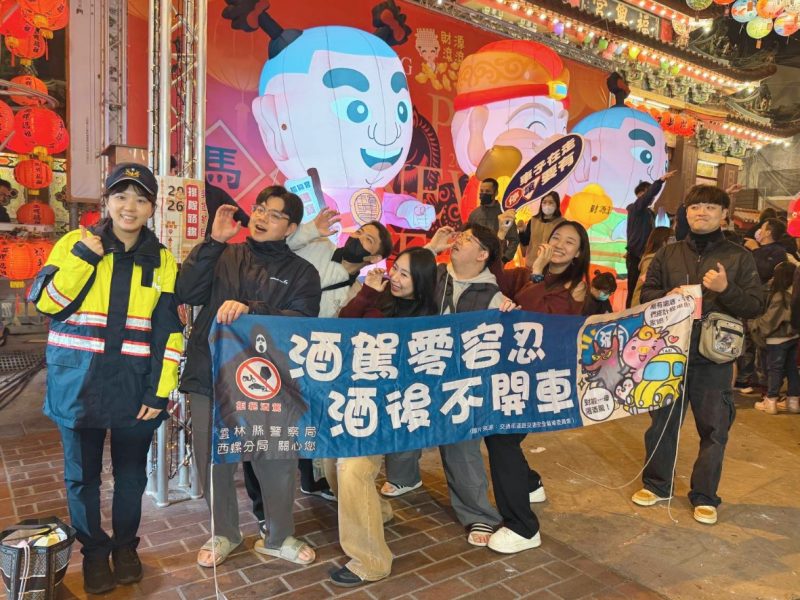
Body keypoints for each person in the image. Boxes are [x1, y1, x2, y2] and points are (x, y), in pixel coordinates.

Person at [29, 163, 183, 594]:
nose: (129, 206)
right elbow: (46, 303)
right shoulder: (74, 244)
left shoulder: (161, 260)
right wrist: (84, 258)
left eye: (140, 198)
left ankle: (125, 547)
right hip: (79, 383)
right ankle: (94, 553)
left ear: (152, 207)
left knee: (131, 478)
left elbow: (169, 331)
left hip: (136, 387)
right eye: (121, 195)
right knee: (82, 478)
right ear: (107, 201)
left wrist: (159, 391)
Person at [176, 189, 321, 568]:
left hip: (270, 383)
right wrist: (213, 242)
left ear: (290, 228)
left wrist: (252, 309)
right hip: (210, 372)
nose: (261, 217)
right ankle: (224, 532)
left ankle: (278, 536)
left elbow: (303, 323)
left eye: (274, 215)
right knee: (214, 459)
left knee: (276, 459)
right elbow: (186, 291)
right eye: (259, 209)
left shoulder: (302, 273)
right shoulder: (224, 254)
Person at [633, 185, 763, 526]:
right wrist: (667, 294)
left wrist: (726, 289)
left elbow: (755, 304)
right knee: (662, 423)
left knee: (714, 428)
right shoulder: (668, 253)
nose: (701, 212)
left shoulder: (739, 256)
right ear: (685, 214)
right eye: (695, 207)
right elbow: (645, 294)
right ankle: (656, 485)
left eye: (710, 207)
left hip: (714, 357)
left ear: (724, 214)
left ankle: (705, 495)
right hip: (669, 352)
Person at [390, 223, 505, 546]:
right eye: (461, 236)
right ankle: (403, 478)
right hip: (418, 369)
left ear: (483, 255)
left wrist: (508, 312)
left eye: (468, 240)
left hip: (460, 382)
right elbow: (407, 274)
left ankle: (478, 514)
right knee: (405, 422)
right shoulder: (436, 274)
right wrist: (431, 248)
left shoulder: (492, 295)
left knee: (461, 448)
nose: (459, 241)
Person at [329, 247, 439, 587]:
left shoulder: (430, 318)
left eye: (405, 274)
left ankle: (372, 561)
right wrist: (367, 293)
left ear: (421, 282)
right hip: (355, 398)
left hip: (389, 408)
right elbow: (343, 327)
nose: (395, 277)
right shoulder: (378, 298)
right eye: (396, 268)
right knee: (331, 464)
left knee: (352, 469)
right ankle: (379, 511)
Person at [487, 219, 590, 553]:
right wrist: (500, 236)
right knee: (504, 438)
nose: (559, 244)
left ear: (578, 254)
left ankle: (523, 527)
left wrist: (535, 273)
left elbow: (535, 319)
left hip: (538, 377)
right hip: (510, 372)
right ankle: (530, 483)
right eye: (556, 237)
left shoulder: (575, 287)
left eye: (569, 242)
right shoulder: (528, 274)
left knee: (502, 438)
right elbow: (493, 277)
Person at [750, 261, 800, 415]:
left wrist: (754, 324)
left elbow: (770, 321)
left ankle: (771, 401)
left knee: (774, 370)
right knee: (792, 370)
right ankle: (793, 401)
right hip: (794, 336)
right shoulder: (795, 293)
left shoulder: (780, 296)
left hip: (777, 339)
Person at [625, 170, 678, 307]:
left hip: (645, 255)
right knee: (634, 289)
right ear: (640, 195)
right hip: (636, 256)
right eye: (649, 194)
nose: (653, 198)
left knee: (644, 288)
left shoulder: (649, 213)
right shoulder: (636, 209)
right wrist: (660, 181)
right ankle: (629, 314)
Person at [468, 178, 520, 262]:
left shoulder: (504, 214)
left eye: (487, 191)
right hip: (477, 260)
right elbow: (468, 236)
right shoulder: (474, 214)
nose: (483, 194)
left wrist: (505, 258)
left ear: (495, 193)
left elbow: (514, 239)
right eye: (481, 191)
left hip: (497, 259)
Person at [631, 227, 674, 307]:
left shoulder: (658, 258)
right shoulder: (652, 260)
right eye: (671, 240)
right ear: (663, 242)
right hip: (642, 307)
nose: (674, 243)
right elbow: (647, 285)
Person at [519, 191, 564, 260]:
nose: (547, 205)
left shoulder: (562, 223)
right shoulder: (533, 221)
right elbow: (525, 242)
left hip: (552, 263)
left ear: (557, 204)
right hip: (532, 262)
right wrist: (521, 231)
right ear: (541, 204)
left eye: (551, 202)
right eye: (544, 202)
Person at [744, 218, 789, 284]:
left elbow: (765, 271)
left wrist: (755, 249)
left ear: (768, 233)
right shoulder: (758, 245)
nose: (759, 231)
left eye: (761, 228)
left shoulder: (779, 252)